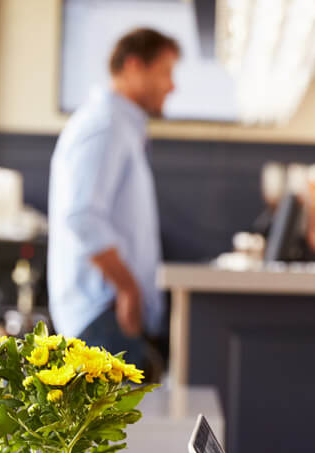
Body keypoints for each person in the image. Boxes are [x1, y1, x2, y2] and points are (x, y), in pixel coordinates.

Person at [48, 28, 179, 373]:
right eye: (166, 72)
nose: (172, 85)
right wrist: (128, 291)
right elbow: (81, 216)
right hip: (102, 317)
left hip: (106, 317)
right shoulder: (105, 125)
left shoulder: (120, 125)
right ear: (134, 66)